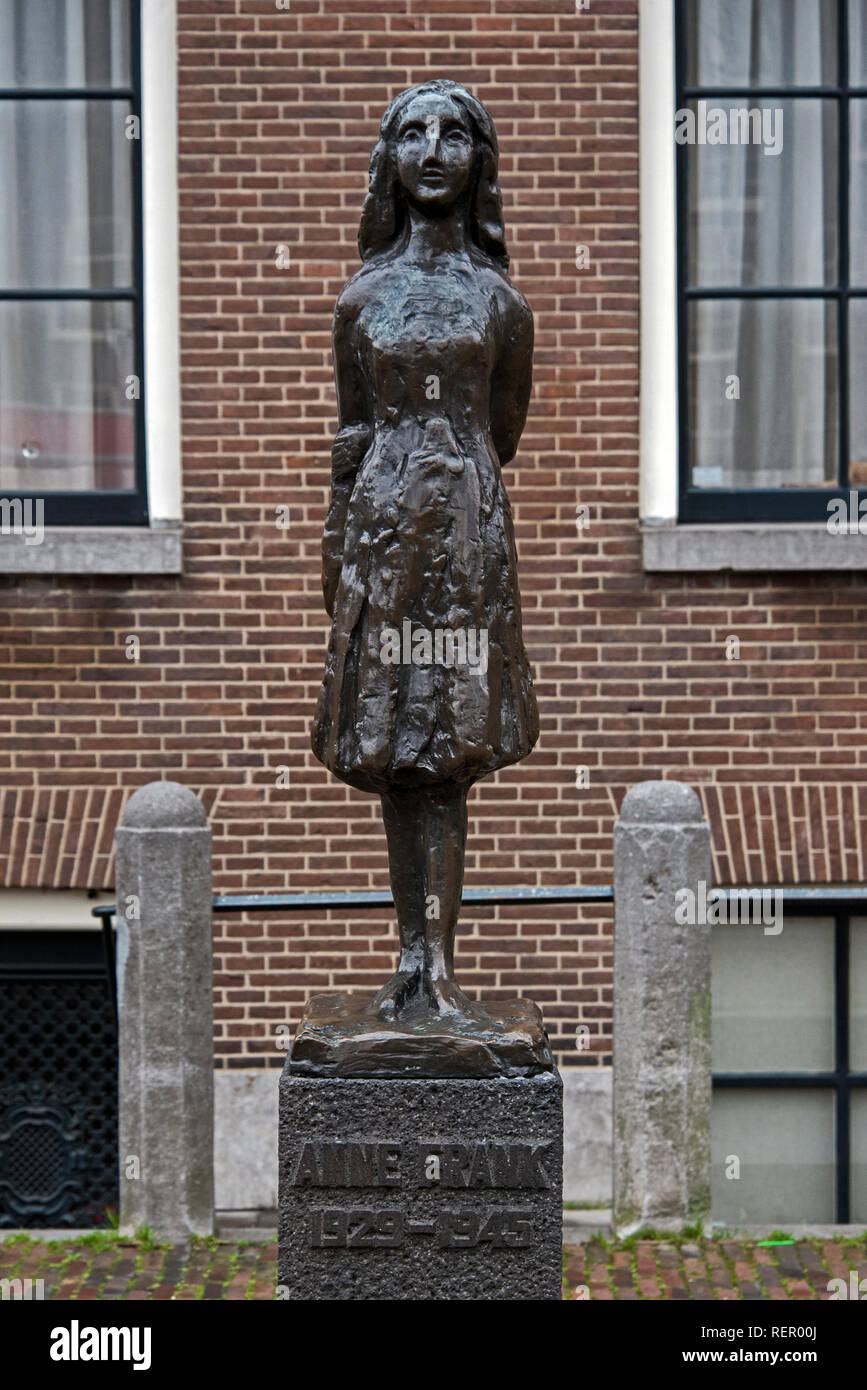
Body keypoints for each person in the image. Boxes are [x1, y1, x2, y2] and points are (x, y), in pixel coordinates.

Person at [311, 81, 538, 1025]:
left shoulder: (498, 301)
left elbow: (505, 430)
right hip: (380, 540)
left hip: (465, 543)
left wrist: (447, 495)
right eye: (414, 133)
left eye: (455, 134)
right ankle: (408, 954)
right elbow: (353, 432)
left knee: (447, 750)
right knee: (395, 745)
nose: (435, 149)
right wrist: (341, 547)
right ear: (390, 160)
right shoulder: (361, 298)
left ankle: (435, 964)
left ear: (478, 160)